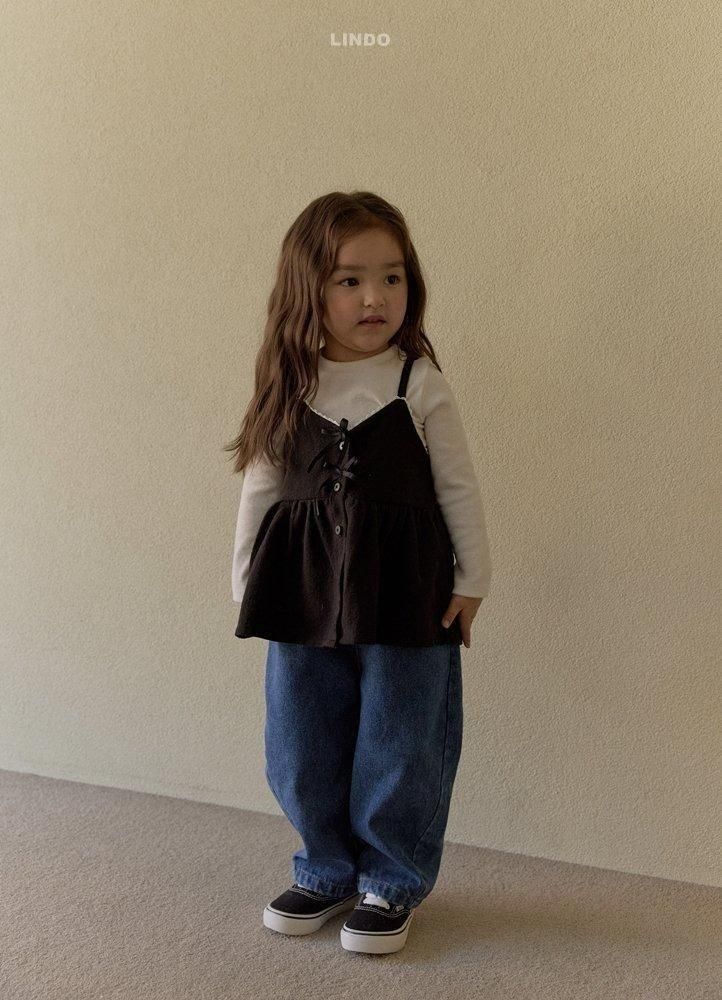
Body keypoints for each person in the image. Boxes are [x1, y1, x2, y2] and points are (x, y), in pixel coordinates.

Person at [224, 191, 492, 954]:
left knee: (400, 739)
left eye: (392, 277)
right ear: (307, 288)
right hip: (300, 595)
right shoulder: (292, 385)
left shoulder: (418, 383)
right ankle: (325, 868)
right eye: (349, 280)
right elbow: (260, 489)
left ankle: (391, 880)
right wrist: (247, 583)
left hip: (410, 595)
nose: (375, 297)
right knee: (300, 739)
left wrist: (472, 579)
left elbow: (458, 487)